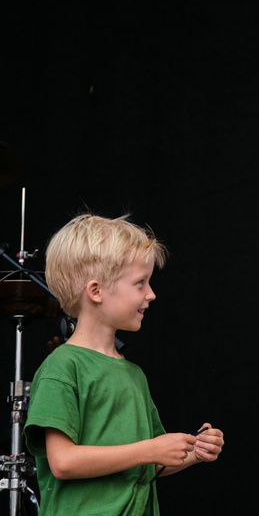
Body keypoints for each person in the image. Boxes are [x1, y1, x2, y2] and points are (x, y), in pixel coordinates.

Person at [23, 214, 225, 516]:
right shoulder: (62, 367)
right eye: (140, 283)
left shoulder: (134, 374)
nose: (151, 294)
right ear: (96, 291)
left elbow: (148, 464)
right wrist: (151, 449)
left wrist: (193, 451)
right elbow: (63, 462)